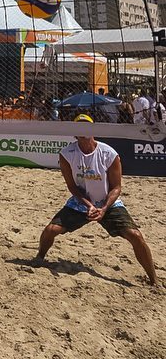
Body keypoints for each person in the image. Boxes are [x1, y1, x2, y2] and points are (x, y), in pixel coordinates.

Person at [34, 114, 157, 284]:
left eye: (87, 126)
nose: (83, 130)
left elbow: (117, 188)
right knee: (50, 230)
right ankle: (39, 258)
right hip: (81, 202)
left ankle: (153, 279)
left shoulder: (109, 153)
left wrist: (104, 208)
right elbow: (72, 187)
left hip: (108, 203)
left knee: (135, 235)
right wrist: (89, 205)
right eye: (79, 127)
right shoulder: (66, 154)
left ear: (94, 130)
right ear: (75, 133)